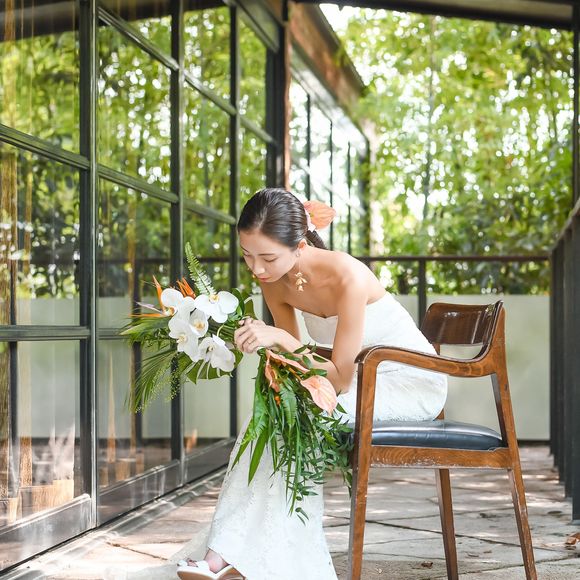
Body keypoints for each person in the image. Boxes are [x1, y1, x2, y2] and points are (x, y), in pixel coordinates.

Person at [176, 188, 447, 580]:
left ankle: (253, 557)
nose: (257, 269)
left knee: (301, 414)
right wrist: (261, 344)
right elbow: (297, 364)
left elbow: (338, 378)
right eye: (248, 255)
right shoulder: (274, 280)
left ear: (300, 245)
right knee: (273, 412)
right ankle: (227, 551)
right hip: (359, 380)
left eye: (268, 257)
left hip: (409, 381)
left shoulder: (348, 275)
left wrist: (279, 338)